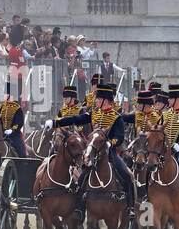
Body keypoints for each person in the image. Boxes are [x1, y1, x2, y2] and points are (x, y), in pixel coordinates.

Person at [47, 80, 140, 220]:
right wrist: (56, 122)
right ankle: (79, 208)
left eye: (98, 98)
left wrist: (110, 143)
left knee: (127, 176)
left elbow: (119, 137)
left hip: (110, 154)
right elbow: (75, 119)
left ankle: (131, 208)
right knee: (81, 180)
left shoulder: (116, 117)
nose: (95, 101)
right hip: (92, 155)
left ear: (106, 101)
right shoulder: (93, 114)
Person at [0, 87, 27, 157]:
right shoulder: (1, 107)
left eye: (6, 94)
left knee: (22, 153)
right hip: (2, 136)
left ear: (10, 95)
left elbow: (19, 123)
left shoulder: (17, 108)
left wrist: (12, 130)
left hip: (14, 136)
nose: (4, 96)